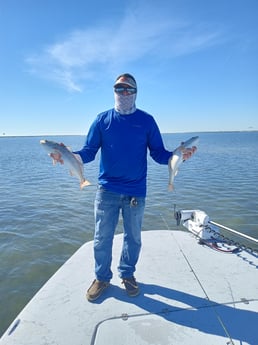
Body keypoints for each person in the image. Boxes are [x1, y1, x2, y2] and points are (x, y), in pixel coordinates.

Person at [52, 73, 196, 301]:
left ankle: (127, 274)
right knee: (102, 237)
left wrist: (180, 156)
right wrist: (68, 156)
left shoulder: (147, 121)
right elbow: (88, 152)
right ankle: (101, 278)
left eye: (129, 89)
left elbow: (160, 155)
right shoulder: (102, 120)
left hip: (136, 191)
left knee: (133, 238)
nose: (124, 93)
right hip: (107, 190)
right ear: (114, 91)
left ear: (136, 92)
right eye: (119, 89)